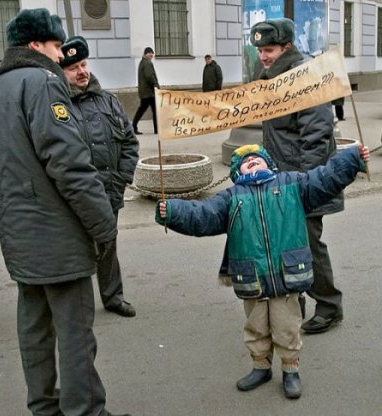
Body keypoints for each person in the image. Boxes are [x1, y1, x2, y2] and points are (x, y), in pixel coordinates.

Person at [0, 8, 131, 416]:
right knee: (76, 333)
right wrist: (102, 226)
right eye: (57, 45)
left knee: (34, 330)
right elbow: (70, 166)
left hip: (19, 233)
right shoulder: (44, 84)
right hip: (59, 236)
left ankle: (44, 407)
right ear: (35, 45)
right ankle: (86, 411)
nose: (61, 55)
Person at [155, 143, 369, 399]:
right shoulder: (231, 197)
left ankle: (291, 370)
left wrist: (352, 157)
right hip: (252, 278)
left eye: (257, 157)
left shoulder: (293, 184)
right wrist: (174, 211)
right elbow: (203, 214)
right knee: (256, 327)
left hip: (286, 275)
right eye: (246, 161)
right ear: (236, 172)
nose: (252, 161)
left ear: (270, 163)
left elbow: (325, 178)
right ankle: (261, 367)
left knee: (287, 327)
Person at [250, 18, 344, 334]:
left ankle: (329, 307)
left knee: (307, 246)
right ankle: (296, 302)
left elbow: (317, 136)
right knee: (287, 245)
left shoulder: (306, 78)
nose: (263, 55)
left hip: (303, 180)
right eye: (261, 49)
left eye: (270, 49)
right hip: (279, 178)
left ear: (287, 47)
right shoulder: (269, 76)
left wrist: (305, 186)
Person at [60, 35, 139, 318]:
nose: (82, 72)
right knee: (76, 251)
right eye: (73, 68)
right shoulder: (58, 106)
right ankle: (74, 308)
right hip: (76, 195)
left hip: (109, 190)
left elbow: (129, 143)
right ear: (60, 72)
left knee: (107, 246)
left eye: (83, 64)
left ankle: (113, 296)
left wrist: (121, 180)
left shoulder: (109, 102)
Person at [132, 46, 159, 135]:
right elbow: (149, 76)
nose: (152, 55)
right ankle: (157, 129)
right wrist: (156, 85)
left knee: (142, 109)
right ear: (146, 54)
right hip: (149, 92)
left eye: (152, 53)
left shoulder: (142, 62)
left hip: (145, 91)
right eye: (150, 53)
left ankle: (133, 126)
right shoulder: (147, 63)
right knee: (154, 110)